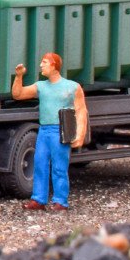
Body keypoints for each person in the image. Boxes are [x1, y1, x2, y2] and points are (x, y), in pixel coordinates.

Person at [11, 52, 88, 212]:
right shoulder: (41, 86)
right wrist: (19, 77)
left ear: (54, 65)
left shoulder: (72, 87)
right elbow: (18, 94)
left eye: (44, 62)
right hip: (44, 131)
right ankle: (38, 199)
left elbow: (81, 111)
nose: (41, 65)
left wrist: (80, 134)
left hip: (60, 131)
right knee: (39, 164)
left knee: (59, 167)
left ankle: (61, 201)